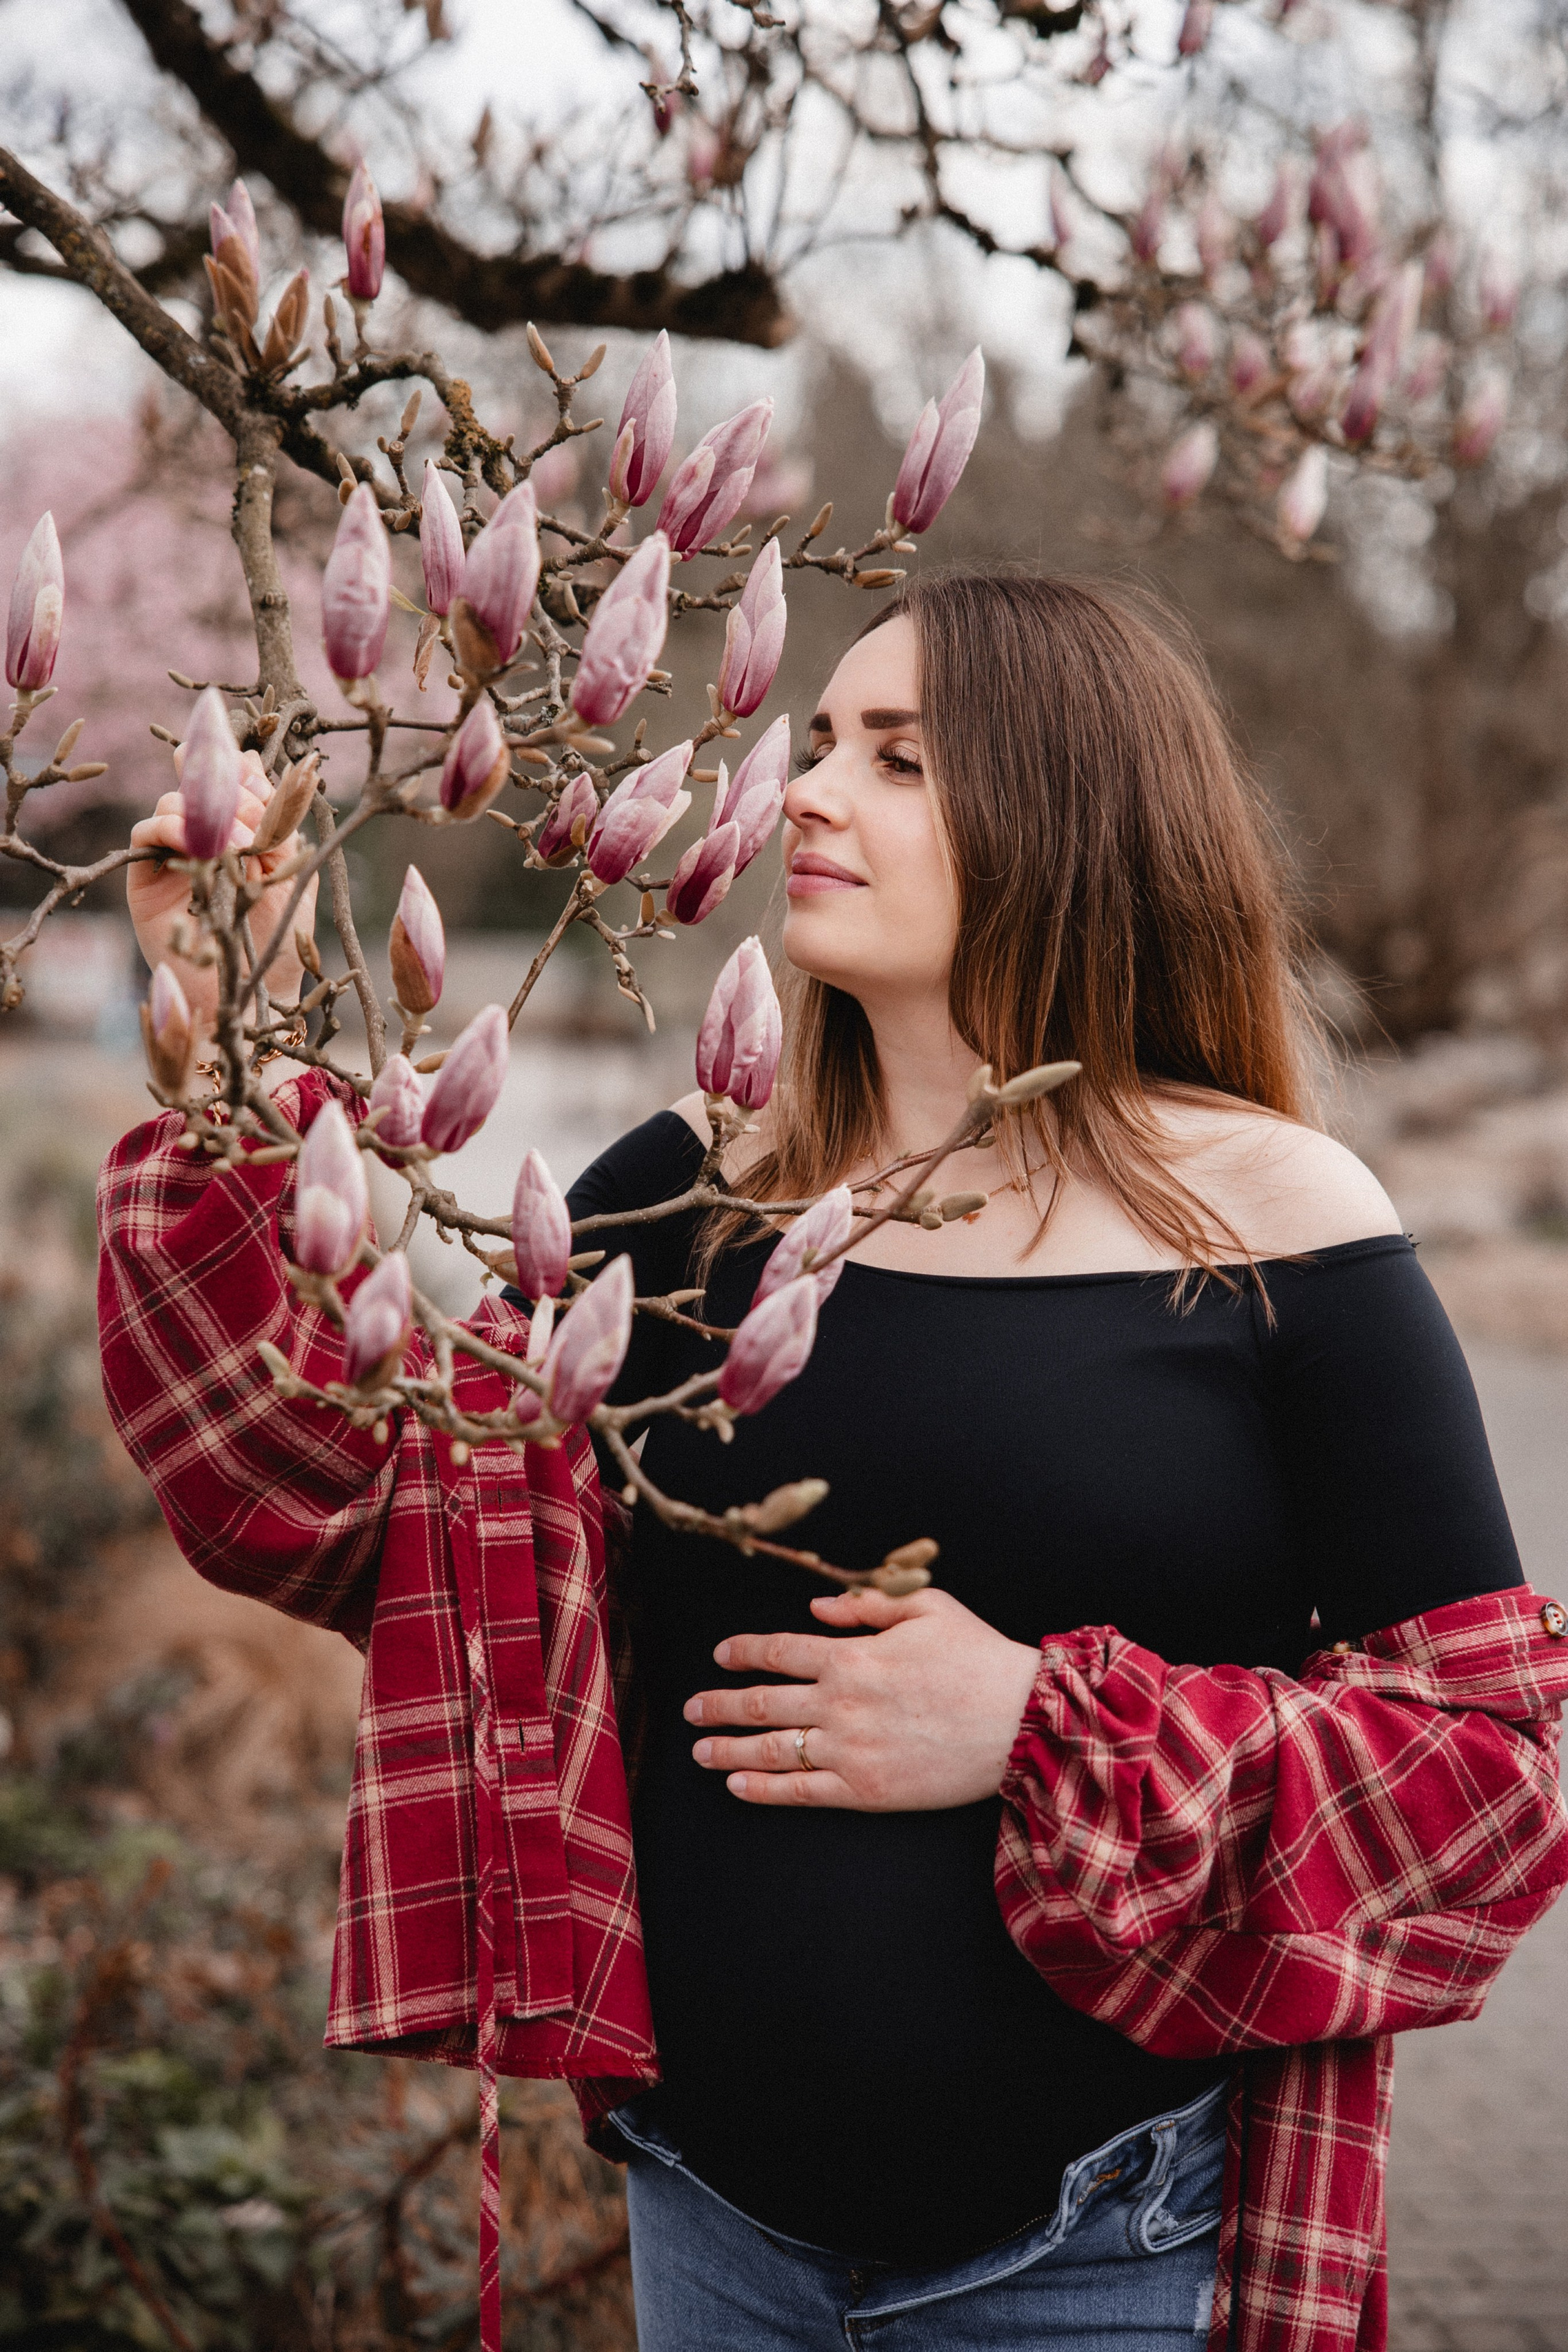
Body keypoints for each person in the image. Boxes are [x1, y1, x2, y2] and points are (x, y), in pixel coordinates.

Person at [100, 571, 1568, 2352]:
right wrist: (217, 1004)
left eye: (896, 758)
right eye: (814, 746)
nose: (801, 791)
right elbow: (350, 1497)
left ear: (1068, 809)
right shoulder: (696, 1191)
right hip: (713, 2231)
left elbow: (1487, 1782)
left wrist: (1035, 1722)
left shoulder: (1270, 1224)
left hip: (1106, 2261)